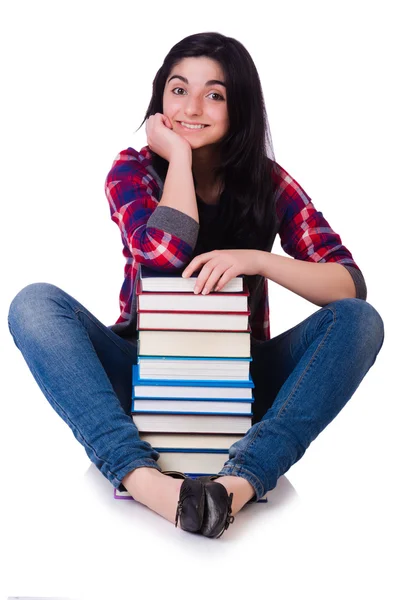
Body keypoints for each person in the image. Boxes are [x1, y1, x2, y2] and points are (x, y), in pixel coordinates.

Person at [7, 31, 384, 539]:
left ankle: (239, 483)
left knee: (361, 322)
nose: (193, 107)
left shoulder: (268, 182)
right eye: (179, 89)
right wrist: (179, 162)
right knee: (34, 304)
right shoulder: (132, 170)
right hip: (144, 374)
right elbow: (166, 258)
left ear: (239, 109)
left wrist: (256, 259)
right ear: (161, 98)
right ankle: (147, 483)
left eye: (215, 94)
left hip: (239, 380)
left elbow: (348, 285)